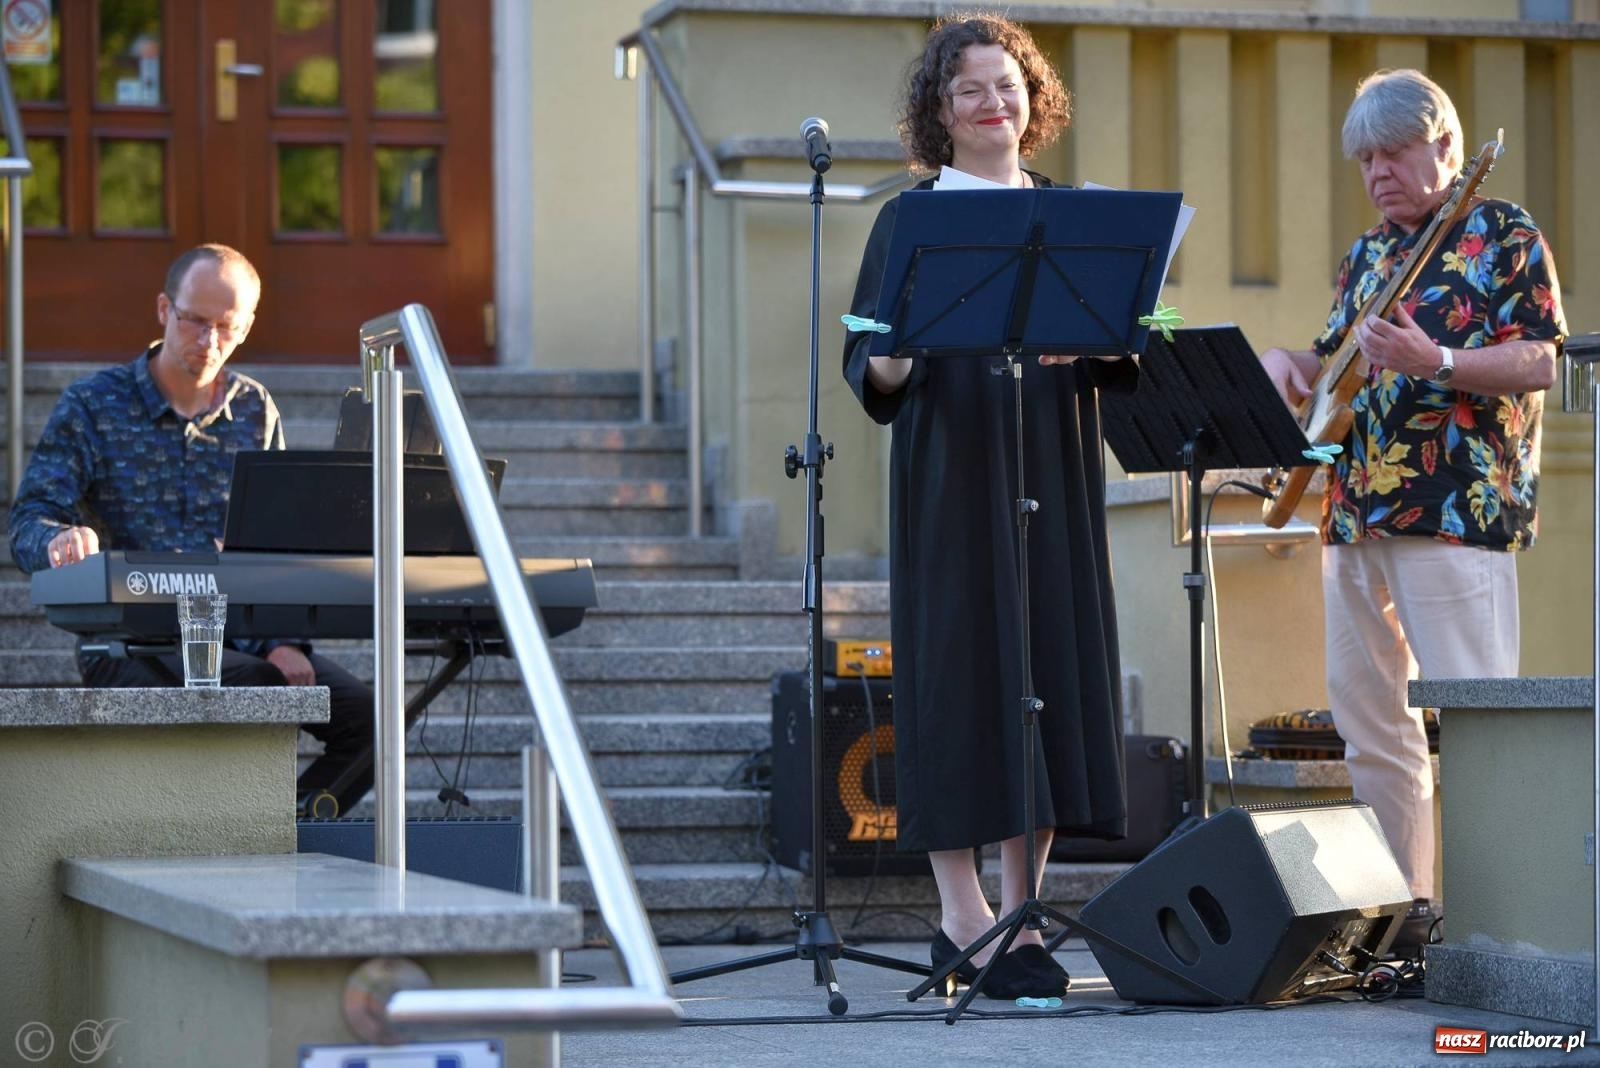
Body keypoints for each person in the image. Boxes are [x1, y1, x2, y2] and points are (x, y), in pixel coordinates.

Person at [843, 13, 1133, 999]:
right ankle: (961, 914)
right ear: (940, 109)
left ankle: (1023, 916)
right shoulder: (907, 219)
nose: (992, 102)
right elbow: (869, 360)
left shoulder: (1069, 215)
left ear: (1032, 97)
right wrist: (893, 347)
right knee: (960, 679)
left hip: (1050, 470)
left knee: (1044, 672)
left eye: (1007, 84)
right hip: (951, 473)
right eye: (969, 88)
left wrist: (1104, 340)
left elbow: (1130, 340)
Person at [1258, 69, 1566, 952]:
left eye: (1394, 151)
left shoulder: (1500, 231)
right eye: (1365, 158)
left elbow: (1543, 361)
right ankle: (1408, 916)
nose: (1379, 171)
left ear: (1443, 144)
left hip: (1456, 508)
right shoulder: (1368, 255)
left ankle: (1504, 927)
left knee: (1477, 723)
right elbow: (1333, 372)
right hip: (1353, 513)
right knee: (1369, 728)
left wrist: (1438, 361)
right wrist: (1290, 363)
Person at [9, 243, 375, 817]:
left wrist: (284, 640)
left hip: (239, 636)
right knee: (256, 686)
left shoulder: (255, 409)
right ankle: (239, 832)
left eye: (226, 328)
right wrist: (60, 541)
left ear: (248, 327)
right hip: (129, 641)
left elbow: (278, 548)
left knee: (367, 722)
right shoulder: (92, 405)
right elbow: (29, 517)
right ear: (163, 310)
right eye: (195, 322)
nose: (208, 342)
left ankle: (283, 824)